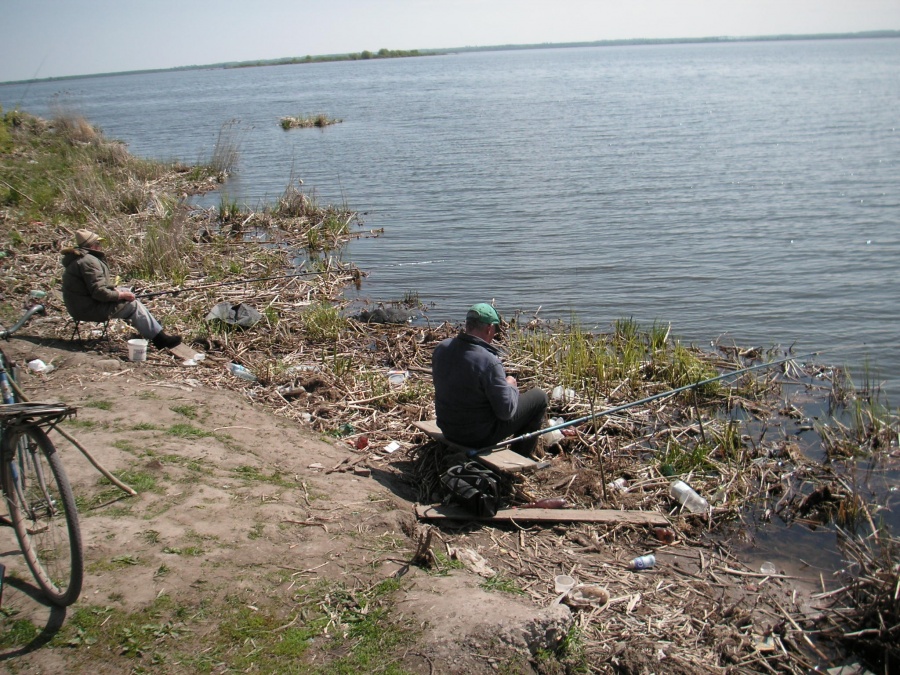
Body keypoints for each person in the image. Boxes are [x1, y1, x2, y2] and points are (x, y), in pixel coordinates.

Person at [432, 302, 548, 456]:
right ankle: (521, 455)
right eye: (494, 331)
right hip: (477, 437)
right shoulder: (489, 362)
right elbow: (506, 412)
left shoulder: (442, 348)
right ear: (489, 329)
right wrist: (511, 386)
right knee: (539, 397)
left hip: (448, 428)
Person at [60, 229, 182, 350]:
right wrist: (121, 296)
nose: (100, 246)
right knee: (133, 305)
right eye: (99, 243)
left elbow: (94, 288)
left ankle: (151, 327)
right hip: (87, 309)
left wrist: (120, 292)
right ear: (93, 245)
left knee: (125, 291)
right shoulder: (89, 262)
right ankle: (160, 339)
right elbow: (99, 293)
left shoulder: (80, 259)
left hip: (79, 305)